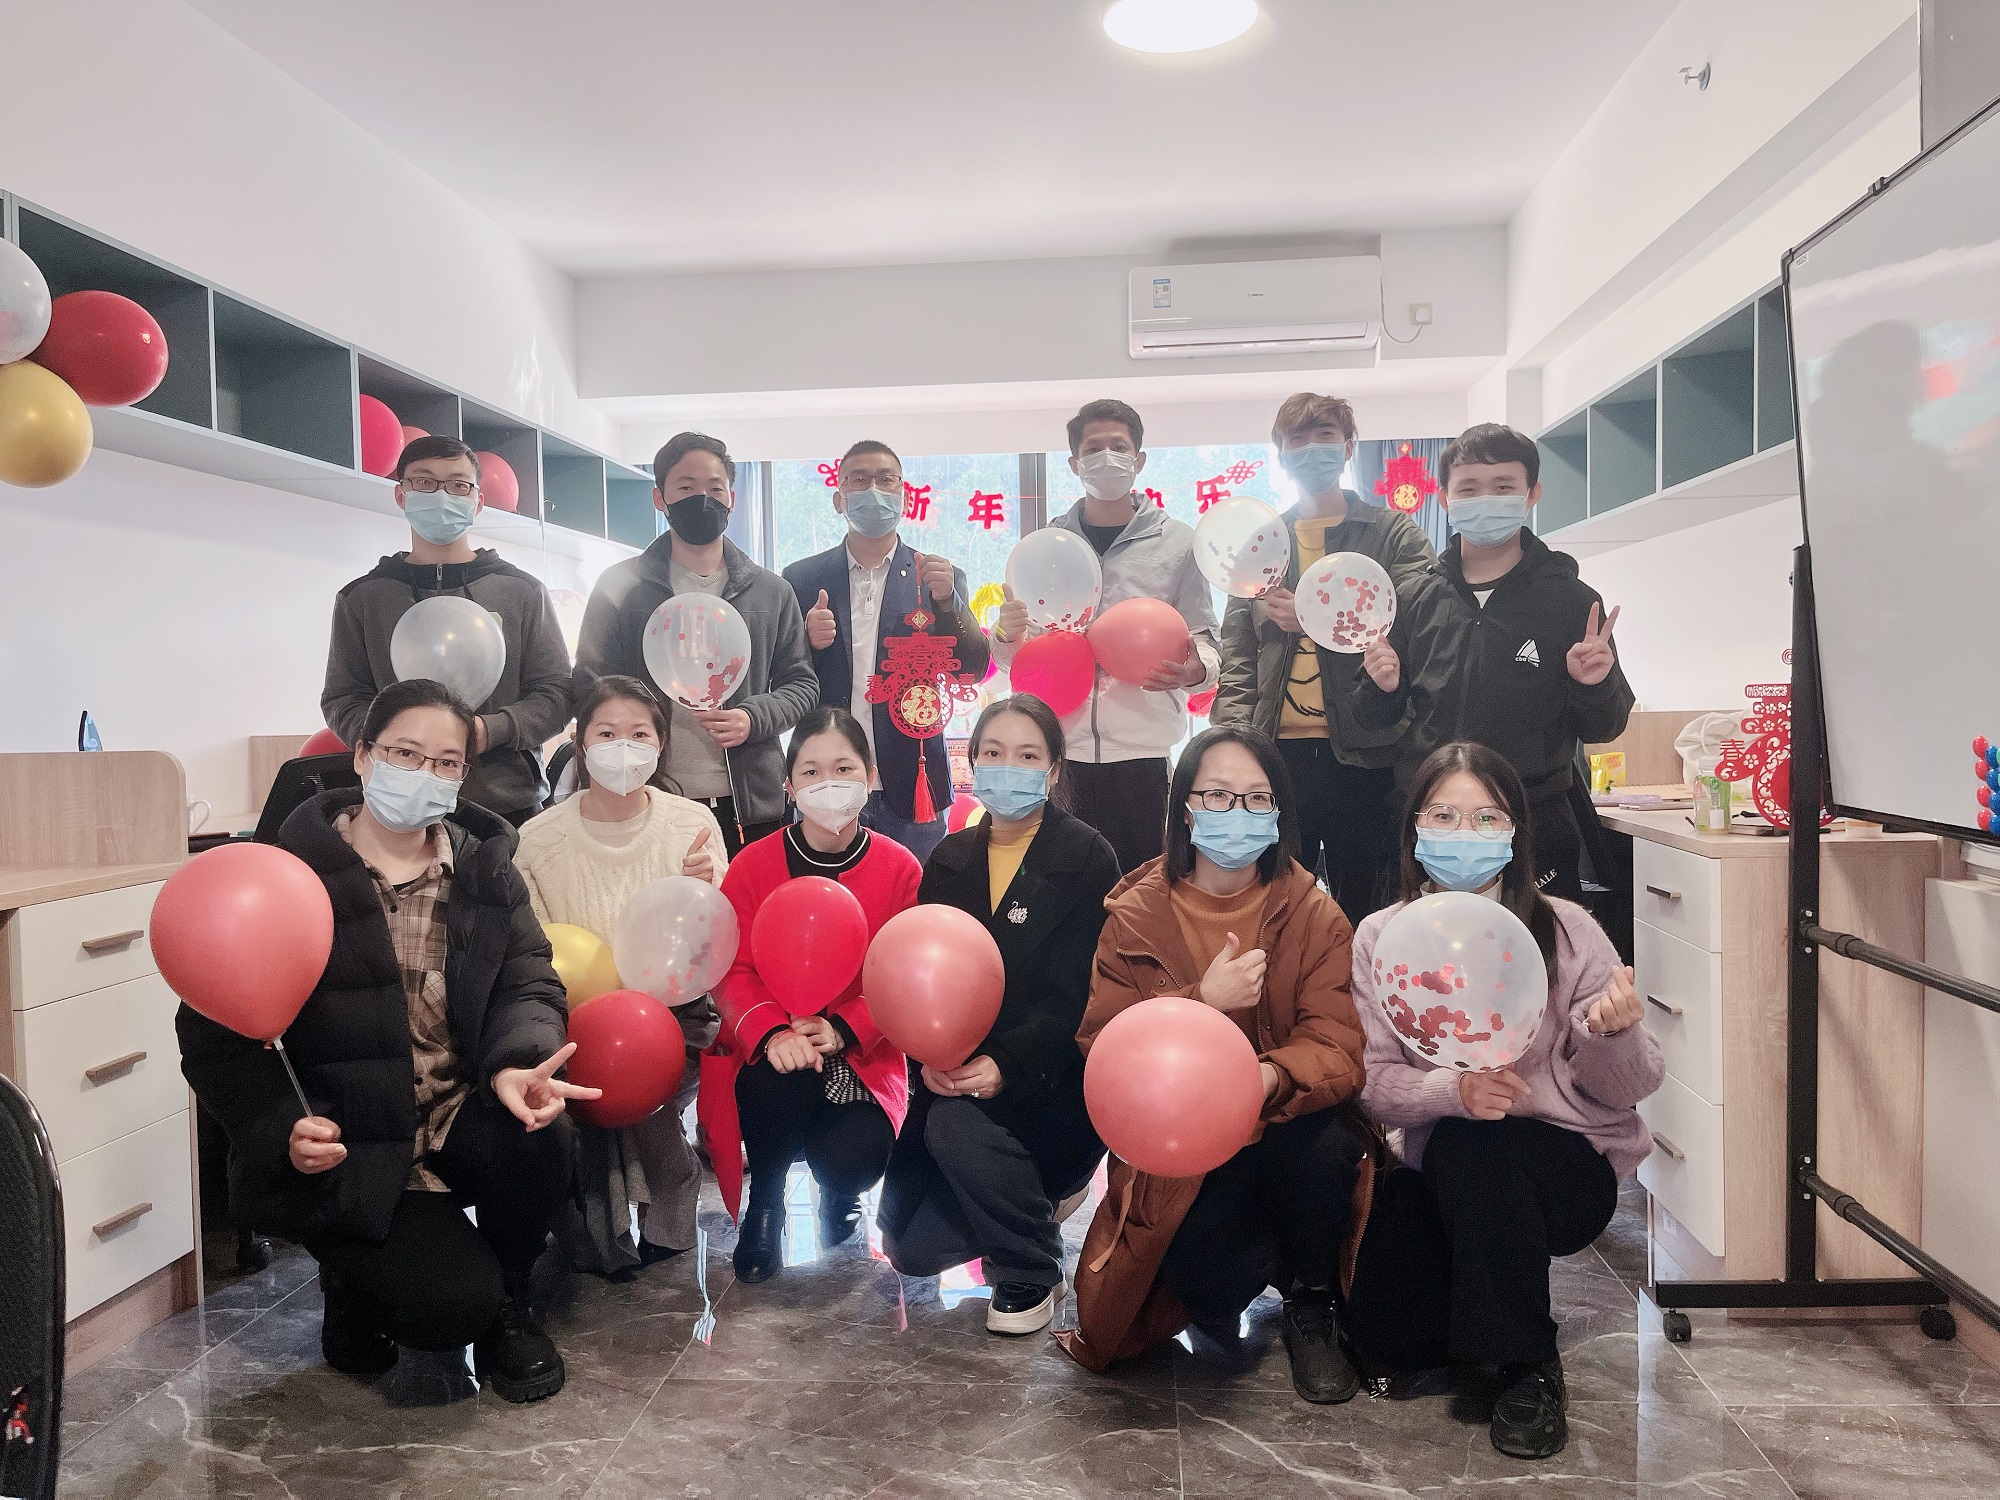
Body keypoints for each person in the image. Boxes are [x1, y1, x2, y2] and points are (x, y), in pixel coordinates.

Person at [176, 679, 594, 1402]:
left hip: (454, 1112)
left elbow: (528, 981)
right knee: (446, 1309)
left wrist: (515, 1063)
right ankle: (351, 1278)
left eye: (446, 762)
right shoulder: (286, 875)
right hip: (352, 1143)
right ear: (364, 757)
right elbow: (212, 1031)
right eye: (405, 753)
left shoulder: (485, 869)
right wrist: (281, 1128)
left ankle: (512, 1305)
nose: (425, 773)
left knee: (543, 1140)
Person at [1344, 740, 1663, 1459]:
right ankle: (1479, 1329)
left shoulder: (1568, 929)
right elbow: (1373, 1084)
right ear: (1414, 829)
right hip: (1442, 1165)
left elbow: (1635, 1085)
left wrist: (1613, 1035)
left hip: (1565, 1166)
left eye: (1486, 817)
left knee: (1478, 1149)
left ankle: (1527, 1367)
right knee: (1388, 1343)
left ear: (1516, 831)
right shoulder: (1381, 937)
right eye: (1444, 816)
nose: (1465, 834)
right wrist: (1452, 1090)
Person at [1059, 726, 1372, 1406]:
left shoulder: (1315, 914)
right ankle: (1255, 1253)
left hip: (1283, 1118)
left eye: (1257, 798)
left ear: (1279, 814)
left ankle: (1311, 1301)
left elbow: (1337, 1045)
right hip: (1184, 1141)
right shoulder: (1134, 915)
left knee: (1327, 1153)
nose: (1238, 812)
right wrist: (1202, 1001)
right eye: (1219, 796)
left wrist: (1264, 1078)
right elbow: (1104, 1044)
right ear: (1186, 809)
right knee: (1209, 1283)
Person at [879, 694, 1121, 1335]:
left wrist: (1004, 1064)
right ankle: (1025, 1204)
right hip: (955, 1071)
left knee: (956, 1125)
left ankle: (1032, 1268)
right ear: (973, 762)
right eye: (993, 752)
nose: (1008, 767)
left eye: (1027, 755)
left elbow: (1080, 993)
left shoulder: (1086, 857)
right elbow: (924, 979)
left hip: (1048, 1078)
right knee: (910, 1247)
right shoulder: (949, 858)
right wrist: (929, 1057)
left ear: (1054, 770)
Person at [1357, 423, 1633, 899]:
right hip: (1429, 820)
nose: (1485, 499)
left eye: (1503, 487)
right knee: (1423, 944)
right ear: (1444, 498)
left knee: (1537, 943)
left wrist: (1593, 684)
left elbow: (1605, 727)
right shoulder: (1412, 596)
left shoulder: (1572, 600)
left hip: (1533, 819)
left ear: (1532, 494)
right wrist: (1381, 689)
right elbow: (1372, 721)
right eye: (1469, 488)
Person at [514, 674, 727, 1275]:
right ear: (579, 741)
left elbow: (712, 939)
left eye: (640, 734)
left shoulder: (691, 825)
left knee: (643, 1082)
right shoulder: (537, 839)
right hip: (572, 1016)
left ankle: (668, 1190)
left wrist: (705, 886)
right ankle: (597, 1220)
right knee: (582, 1083)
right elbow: (532, 953)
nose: (623, 748)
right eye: (606, 734)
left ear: (661, 744)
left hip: (675, 1014)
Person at [701, 707, 923, 1282]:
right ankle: (766, 1205)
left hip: (862, 1055)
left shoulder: (900, 868)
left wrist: (847, 1027)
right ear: (789, 785)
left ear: (870, 777)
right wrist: (772, 1031)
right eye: (811, 771)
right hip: (774, 1046)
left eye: (844, 769)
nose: (828, 783)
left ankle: (840, 1194)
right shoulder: (753, 865)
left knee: (854, 1156)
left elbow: (904, 974)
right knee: (774, 1082)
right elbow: (731, 967)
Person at [1214, 392, 1438, 920]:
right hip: (1276, 755)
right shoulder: (1262, 544)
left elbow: (1418, 619)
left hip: (1368, 753)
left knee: (1371, 906)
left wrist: (1320, 614)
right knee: (1275, 906)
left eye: (1326, 437)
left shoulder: (1391, 532)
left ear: (1348, 447)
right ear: (1281, 454)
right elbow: (1238, 656)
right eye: (1298, 440)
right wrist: (1234, 744)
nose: (1312, 449)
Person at [992, 398, 1219, 873]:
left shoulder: (1178, 543)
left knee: (1141, 887)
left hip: (1143, 754)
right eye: (1093, 449)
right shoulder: (1046, 545)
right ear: (1074, 463)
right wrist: (1006, 637)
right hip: (1061, 752)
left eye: (1119, 446)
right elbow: (1021, 659)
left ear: (1139, 459)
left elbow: (1205, 636)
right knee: (1062, 885)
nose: (1107, 457)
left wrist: (1197, 668)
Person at [573, 431, 818, 859]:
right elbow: (590, 681)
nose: (702, 499)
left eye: (715, 488)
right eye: (686, 487)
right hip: (645, 795)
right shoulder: (619, 586)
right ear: (660, 498)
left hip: (750, 804)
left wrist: (753, 717)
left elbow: (801, 684)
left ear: (732, 499)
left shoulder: (771, 591)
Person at [321, 436, 573, 827]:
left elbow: (556, 694)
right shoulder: (363, 598)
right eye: (424, 482)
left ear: (478, 501)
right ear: (401, 495)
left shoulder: (522, 592)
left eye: (458, 485)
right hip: (398, 803)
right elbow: (342, 698)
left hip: (507, 805)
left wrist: (488, 731)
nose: (441, 496)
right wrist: (398, 738)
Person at [782, 440, 991, 862]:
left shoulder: (937, 576)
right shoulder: (801, 578)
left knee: (917, 895)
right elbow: (783, 678)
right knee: (826, 895)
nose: (873, 490)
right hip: (826, 781)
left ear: (905, 497)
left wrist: (948, 603)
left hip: (912, 781)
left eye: (886, 479)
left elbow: (971, 669)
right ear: (839, 498)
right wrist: (806, 642)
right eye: (859, 480)